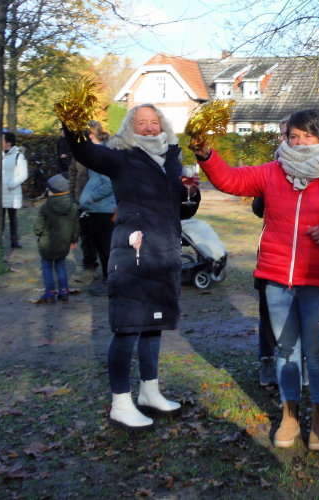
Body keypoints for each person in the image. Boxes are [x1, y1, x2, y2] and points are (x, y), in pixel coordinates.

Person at [194, 108, 319, 450]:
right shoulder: (274, 171)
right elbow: (231, 180)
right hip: (277, 277)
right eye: (294, 136)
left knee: (317, 352)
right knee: (285, 349)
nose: (300, 142)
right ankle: (289, 415)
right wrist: (207, 155)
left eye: (308, 136)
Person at [62, 103, 201, 432]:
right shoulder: (120, 157)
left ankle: (149, 392)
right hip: (133, 253)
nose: (150, 127)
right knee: (127, 328)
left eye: (155, 121)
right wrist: (71, 122)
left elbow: (182, 210)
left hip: (165, 253)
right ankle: (121, 404)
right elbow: (85, 152)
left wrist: (191, 194)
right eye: (142, 122)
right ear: (130, 128)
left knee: (153, 326)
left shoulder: (172, 159)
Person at [256, 115, 290, 387]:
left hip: (305, 253)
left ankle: (299, 360)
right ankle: (266, 359)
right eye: (282, 134)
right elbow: (258, 208)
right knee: (267, 310)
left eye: (286, 134)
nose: (282, 139)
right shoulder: (273, 168)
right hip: (272, 252)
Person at [33, 174, 80, 302]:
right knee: (61, 265)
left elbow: (38, 228)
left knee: (47, 267)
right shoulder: (72, 207)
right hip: (63, 243)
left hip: (46, 243)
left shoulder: (45, 207)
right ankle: (64, 290)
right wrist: (74, 240)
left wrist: (39, 233)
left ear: (53, 191)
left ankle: (49, 292)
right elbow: (76, 226)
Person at [78, 126, 114, 286]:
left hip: (103, 210)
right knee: (100, 246)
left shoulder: (102, 155)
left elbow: (108, 184)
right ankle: (107, 278)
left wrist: (90, 198)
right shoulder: (96, 154)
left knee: (105, 246)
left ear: (90, 136)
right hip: (96, 209)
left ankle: (110, 279)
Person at [68, 123, 98, 285]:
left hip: (101, 204)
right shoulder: (78, 153)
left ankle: (110, 273)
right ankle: (89, 270)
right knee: (85, 238)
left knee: (104, 240)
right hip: (81, 203)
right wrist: (73, 195)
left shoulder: (105, 152)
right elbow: (73, 173)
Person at [0, 132, 28, 249]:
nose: (0, 142)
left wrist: (11, 184)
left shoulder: (18, 156)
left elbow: (23, 174)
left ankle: (14, 240)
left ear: (8, 142)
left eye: (2, 139)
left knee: (12, 217)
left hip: (12, 193)